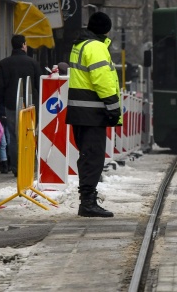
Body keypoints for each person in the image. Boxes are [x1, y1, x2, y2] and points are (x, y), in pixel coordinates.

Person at [66, 12, 121, 217]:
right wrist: (113, 106)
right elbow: (102, 80)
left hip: (80, 111)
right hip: (92, 112)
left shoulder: (79, 45)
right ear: (106, 30)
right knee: (93, 157)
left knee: (87, 156)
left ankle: (87, 200)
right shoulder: (96, 47)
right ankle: (88, 203)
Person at [0, 34, 44, 177]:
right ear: (23, 45)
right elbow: (40, 84)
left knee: (14, 137)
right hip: (29, 106)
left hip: (11, 105)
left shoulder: (4, 63)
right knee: (29, 134)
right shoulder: (32, 63)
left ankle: (16, 167)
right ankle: (29, 164)